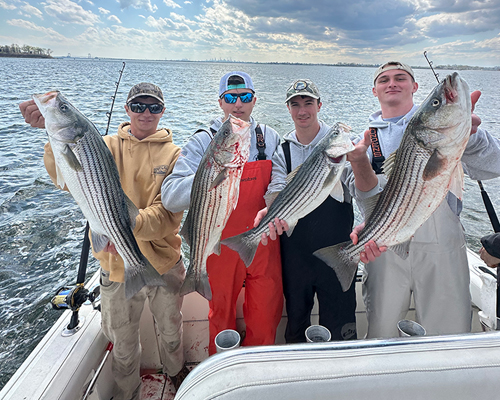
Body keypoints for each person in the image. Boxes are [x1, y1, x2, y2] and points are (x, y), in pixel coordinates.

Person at [19, 82, 190, 399]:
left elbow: (170, 215)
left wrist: (126, 225)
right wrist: (48, 133)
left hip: (164, 263)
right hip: (114, 265)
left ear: (163, 111)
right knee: (123, 342)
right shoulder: (102, 144)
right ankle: (128, 392)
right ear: (127, 109)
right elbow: (63, 181)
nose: (145, 112)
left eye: (153, 106)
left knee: (171, 331)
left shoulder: (175, 154)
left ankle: (176, 371)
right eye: (138, 106)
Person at [351, 61, 500, 339]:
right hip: (387, 246)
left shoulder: (448, 129)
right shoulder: (362, 140)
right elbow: (361, 195)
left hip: (442, 247)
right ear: (374, 90)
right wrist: (360, 164)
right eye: (384, 79)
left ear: (415, 87)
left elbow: (494, 165)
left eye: (400, 78)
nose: (392, 83)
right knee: (381, 333)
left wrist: (472, 138)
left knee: (448, 333)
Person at [161, 71, 283, 355]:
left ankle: (259, 370)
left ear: (254, 101)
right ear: (220, 103)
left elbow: (280, 178)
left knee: (266, 311)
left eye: (244, 97)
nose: (237, 104)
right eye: (230, 98)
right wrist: (212, 176)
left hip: (262, 239)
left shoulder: (269, 137)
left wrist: (272, 200)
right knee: (221, 313)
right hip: (217, 242)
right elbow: (169, 195)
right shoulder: (204, 140)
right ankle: (223, 370)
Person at [257, 79, 362, 343]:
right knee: (296, 321)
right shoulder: (283, 151)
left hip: (338, 249)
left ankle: (340, 378)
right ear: (289, 109)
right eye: (295, 104)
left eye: (308, 103)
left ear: (319, 105)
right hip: (295, 255)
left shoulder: (343, 147)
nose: (302, 110)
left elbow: (356, 186)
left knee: (341, 326)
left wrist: (359, 164)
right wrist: (268, 211)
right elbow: (277, 185)